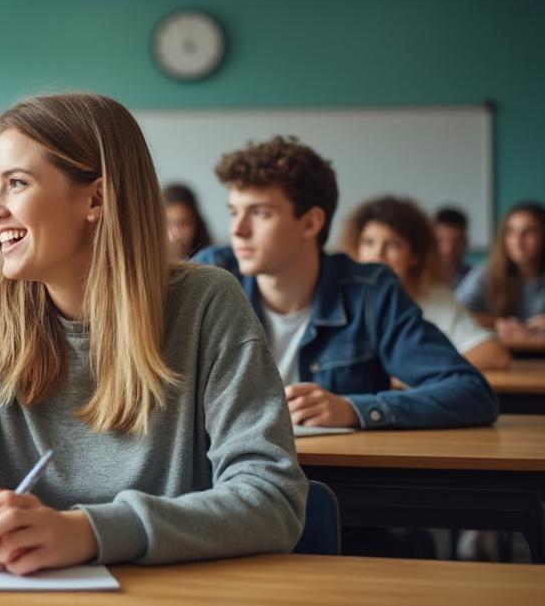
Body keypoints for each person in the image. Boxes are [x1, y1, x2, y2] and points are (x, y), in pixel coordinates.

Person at [0, 93, 305, 575]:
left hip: (169, 599)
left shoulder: (208, 304)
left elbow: (273, 498)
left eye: (17, 184)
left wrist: (89, 533)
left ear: (96, 199)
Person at [193, 136, 497, 429]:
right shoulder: (210, 274)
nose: (238, 230)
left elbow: (471, 393)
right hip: (226, 474)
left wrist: (353, 409)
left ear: (311, 223)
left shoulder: (369, 291)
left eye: (260, 213)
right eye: (233, 212)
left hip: (337, 474)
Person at [340, 196, 510, 371]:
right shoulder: (341, 296)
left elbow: (494, 355)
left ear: (415, 255)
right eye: (369, 242)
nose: (378, 254)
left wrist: (414, 371)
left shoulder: (433, 297)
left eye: (393, 245)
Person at [456, 202, 545, 338]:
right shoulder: (486, 273)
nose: (517, 241)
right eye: (511, 232)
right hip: (502, 353)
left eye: (529, 232)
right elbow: (456, 311)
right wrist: (496, 323)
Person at [163, 183, 211, 259]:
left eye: (184, 223)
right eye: (167, 224)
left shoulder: (213, 259)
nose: (176, 234)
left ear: (196, 223)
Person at [434, 207, 472, 288]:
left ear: (465, 242)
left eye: (455, 241)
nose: (448, 248)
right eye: (441, 241)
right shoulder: (420, 279)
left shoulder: (474, 278)